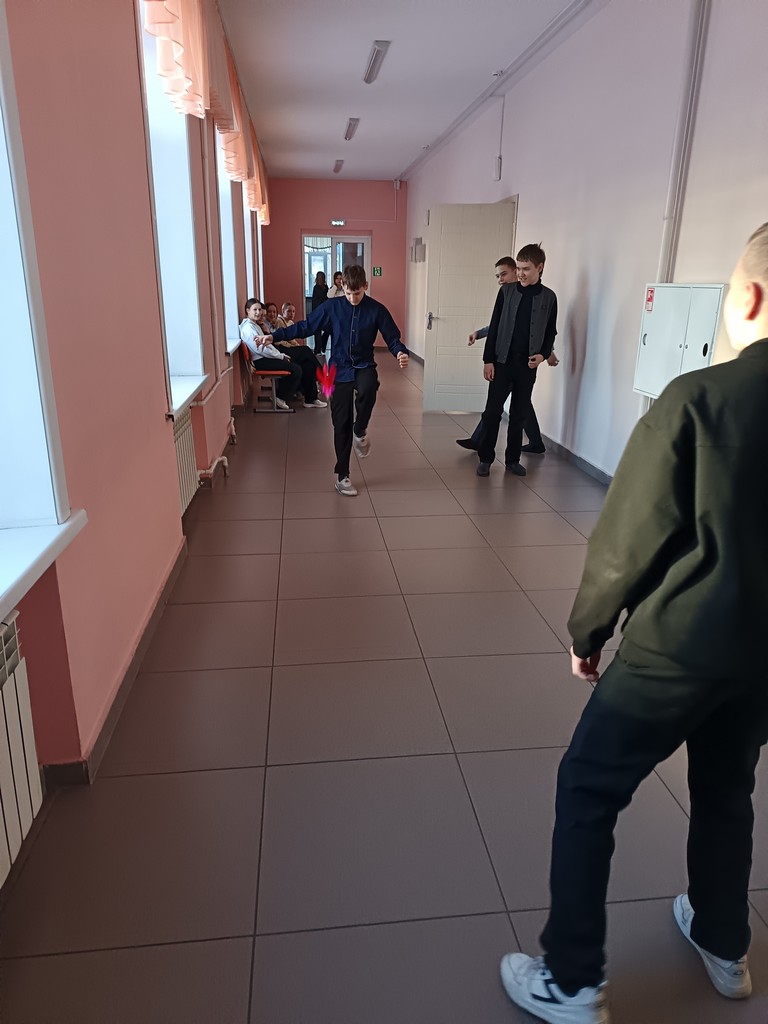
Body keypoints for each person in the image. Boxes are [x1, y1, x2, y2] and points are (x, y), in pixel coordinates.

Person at [500, 222, 768, 1024]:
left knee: (589, 785)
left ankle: (572, 980)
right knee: (728, 786)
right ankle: (724, 941)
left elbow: (629, 541)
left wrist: (589, 633)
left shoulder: (701, 398)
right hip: (762, 658)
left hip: (678, 648)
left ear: (750, 298)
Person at [270, 264, 409, 496]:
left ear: (366, 286)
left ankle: (360, 430)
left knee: (369, 388)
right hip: (337, 369)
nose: (353, 298)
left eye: (358, 293)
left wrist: (400, 352)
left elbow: (393, 338)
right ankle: (343, 476)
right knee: (340, 422)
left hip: (364, 365)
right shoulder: (332, 307)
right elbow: (306, 326)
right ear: (342, 286)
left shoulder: (377, 310)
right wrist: (274, 336)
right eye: (348, 293)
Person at [457, 257, 559, 455]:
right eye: (497, 276)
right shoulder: (508, 294)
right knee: (504, 408)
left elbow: (538, 329)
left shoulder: (544, 297)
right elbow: (501, 326)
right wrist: (480, 334)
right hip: (506, 361)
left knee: (514, 409)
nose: (500, 280)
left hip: (524, 364)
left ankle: (487, 442)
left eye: (504, 274)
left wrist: (548, 353)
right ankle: (530, 442)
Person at [239, 298, 301, 410]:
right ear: (248, 310)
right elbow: (261, 349)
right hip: (261, 361)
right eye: (255, 310)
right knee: (296, 369)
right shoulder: (248, 328)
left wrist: (280, 354)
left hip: (265, 357)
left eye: (259, 309)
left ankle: (283, 394)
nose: (258, 312)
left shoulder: (254, 325)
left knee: (294, 363)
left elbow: (267, 344)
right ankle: (280, 397)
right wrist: (280, 356)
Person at [262, 301, 326, 408]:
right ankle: (322, 377)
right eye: (269, 312)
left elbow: (291, 340)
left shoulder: (272, 324)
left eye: (274, 312)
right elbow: (277, 342)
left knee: (307, 364)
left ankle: (311, 398)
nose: (272, 314)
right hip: (277, 352)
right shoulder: (266, 325)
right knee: (306, 350)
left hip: (280, 350)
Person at [311, 271, 330, 357]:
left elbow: (315, 302)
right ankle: (320, 348)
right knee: (323, 330)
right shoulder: (323, 288)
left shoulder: (317, 288)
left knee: (318, 331)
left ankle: (318, 349)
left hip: (318, 312)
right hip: (322, 311)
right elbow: (326, 298)